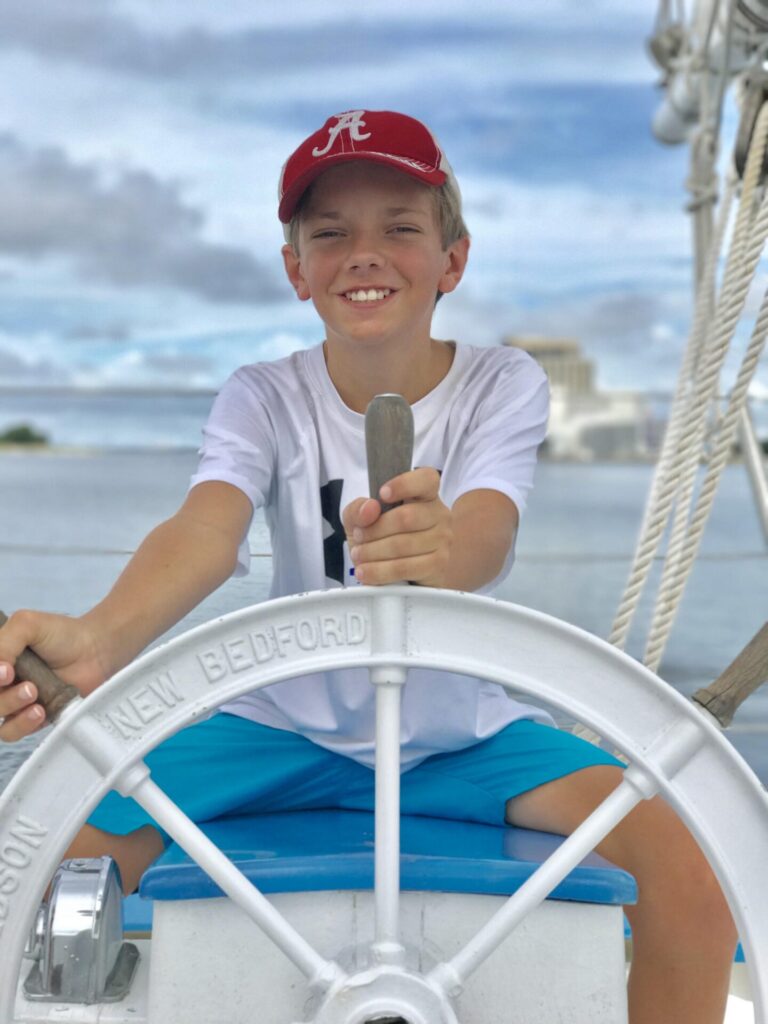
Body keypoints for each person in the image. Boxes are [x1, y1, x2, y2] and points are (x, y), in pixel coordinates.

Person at [0, 109, 736, 1023]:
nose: (364, 255)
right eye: (330, 234)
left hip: (460, 739)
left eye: (400, 228)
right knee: (48, 855)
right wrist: (100, 638)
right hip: (278, 732)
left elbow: (489, 527)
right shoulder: (262, 395)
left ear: (452, 261)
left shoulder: (503, 382)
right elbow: (207, 529)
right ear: (295, 270)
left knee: (693, 874)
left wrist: (442, 550)